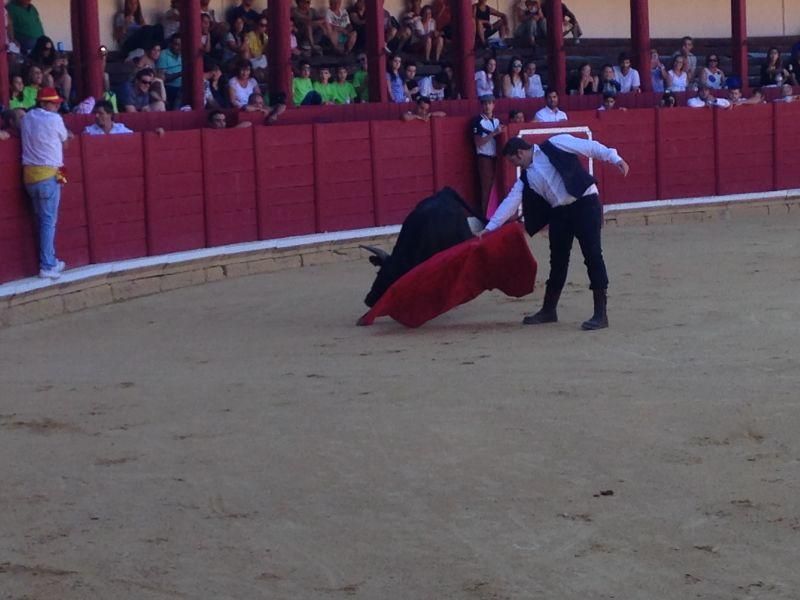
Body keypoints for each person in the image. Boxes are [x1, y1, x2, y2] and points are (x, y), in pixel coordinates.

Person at [483, 135, 630, 330]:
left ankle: (600, 314)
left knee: (593, 255)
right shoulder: (526, 178)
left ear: (520, 153)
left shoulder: (555, 143)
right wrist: (489, 229)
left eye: (513, 161)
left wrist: (615, 158)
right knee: (558, 261)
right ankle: (549, 310)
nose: (514, 166)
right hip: (559, 212)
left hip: (585, 204)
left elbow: (589, 147)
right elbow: (510, 202)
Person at [20, 87, 72, 280]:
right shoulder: (55, 120)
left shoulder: (26, 118)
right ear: (43, 103)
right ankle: (48, 265)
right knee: (48, 222)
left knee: (42, 220)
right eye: (53, 103)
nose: (57, 106)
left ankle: (49, 259)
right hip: (50, 175)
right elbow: (64, 144)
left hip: (29, 177)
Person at [472, 94, 504, 217]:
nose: (487, 106)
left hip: (497, 158)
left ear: (493, 105)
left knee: (497, 187)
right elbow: (478, 142)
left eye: (489, 103)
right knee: (487, 188)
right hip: (484, 157)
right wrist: (494, 133)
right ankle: (486, 217)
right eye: (485, 104)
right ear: (482, 106)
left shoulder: (497, 121)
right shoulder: (477, 121)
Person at [156, 34, 183, 109]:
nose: (180, 47)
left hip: (183, 87)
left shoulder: (183, 53)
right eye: (177, 44)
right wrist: (181, 73)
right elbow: (162, 78)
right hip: (169, 87)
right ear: (170, 44)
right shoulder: (163, 54)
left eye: (181, 45)